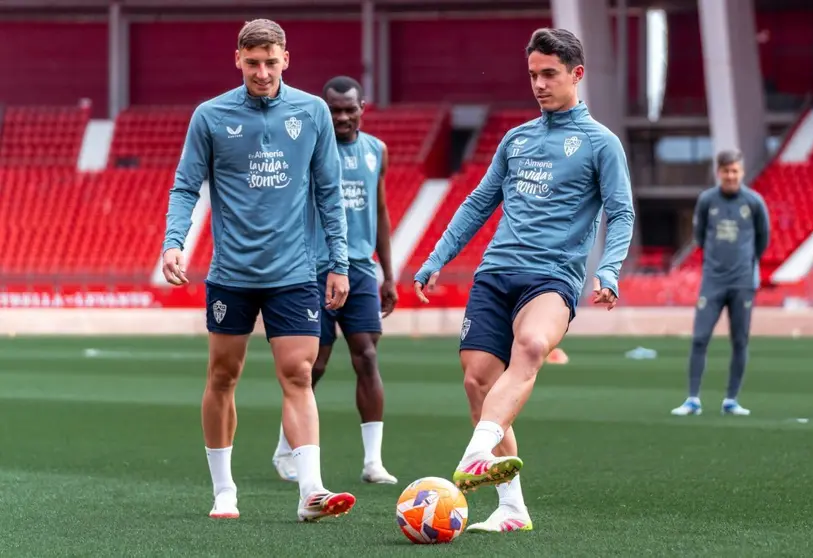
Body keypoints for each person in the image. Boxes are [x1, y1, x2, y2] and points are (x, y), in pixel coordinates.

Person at [412, 27, 635, 533]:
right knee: (477, 381)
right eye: (533, 74)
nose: (538, 84)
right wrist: (436, 258)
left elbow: (620, 213)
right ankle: (511, 507)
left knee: (532, 345)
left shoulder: (602, 143)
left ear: (577, 75)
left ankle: (474, 454)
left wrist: (609, 270)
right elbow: (478, 204)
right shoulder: (516, 139)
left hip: (553, 276)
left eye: (549, 74)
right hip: (495, 272)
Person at [160, 19, 357, 522]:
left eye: (271, 62)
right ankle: (224, 490)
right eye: (253, 63)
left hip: (295, 272)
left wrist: (339, 262)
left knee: (297, 373)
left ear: (286, 59)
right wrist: (174, 241)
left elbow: (329, 193)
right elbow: (186, 186)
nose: (263, 72)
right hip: (232, 274)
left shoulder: (312, 111)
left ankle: (310, 490)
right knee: (223, 376)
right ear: (238, 59)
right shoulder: (210, 116)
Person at [272, 75, 398, 485]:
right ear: (322, 110)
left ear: (364, 106)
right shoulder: (307, 150)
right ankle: (285, 446)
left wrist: (389, 274)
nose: (342, 117)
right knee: (313, 364)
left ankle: (372, 462)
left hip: (360, 269)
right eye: (334, 110)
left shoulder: (376, 150)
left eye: (349, 109)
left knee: (366, 356)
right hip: (314, 268)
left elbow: (379, 212)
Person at [671, 150, 770, 417]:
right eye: (726, 171)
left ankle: (732, 400)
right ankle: (692, 399)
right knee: (700, 338)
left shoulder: (754, 202)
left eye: (735, 171)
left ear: (742, 172)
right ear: (719, 172)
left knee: (740, 341)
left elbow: (763, 239)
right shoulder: (707, 201)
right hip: (713, 281)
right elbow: (700, 236)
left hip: (742, 283)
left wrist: (746, 263)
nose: (730, 175)